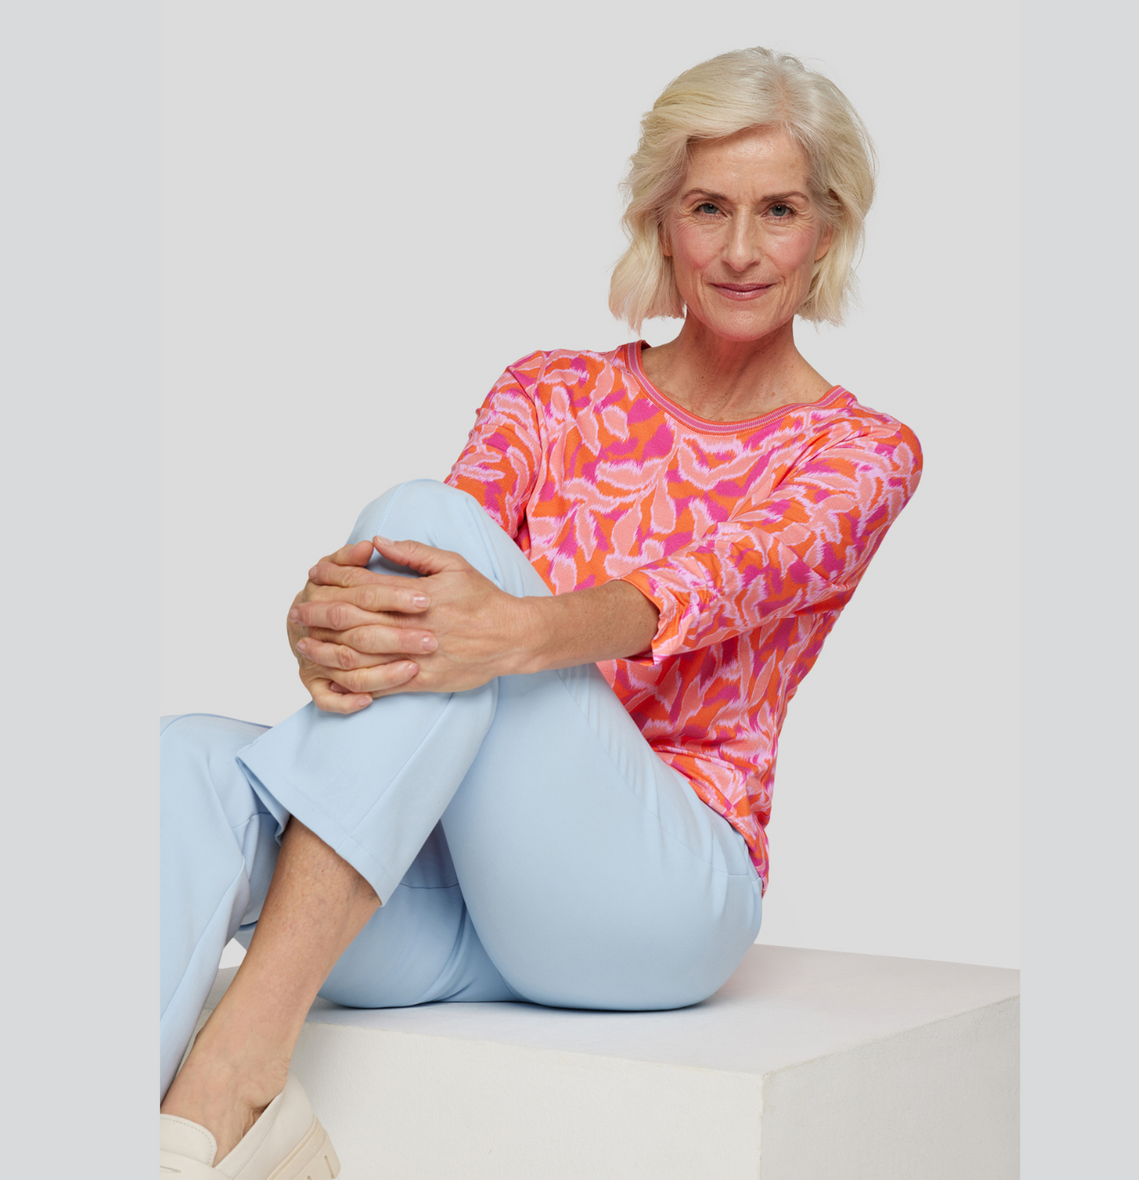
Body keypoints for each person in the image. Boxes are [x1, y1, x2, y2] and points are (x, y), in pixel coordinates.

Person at [159, 46, 922, 1180]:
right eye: (707, 207)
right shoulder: (553, 390)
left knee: (428, 528)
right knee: (181, 761)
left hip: (650, 905)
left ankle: (238, 1072)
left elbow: (705, 586)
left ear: (827, 231)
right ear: (661, 220)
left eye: (779, 210)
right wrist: (326, 623)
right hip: (453, 896)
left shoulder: (860, 451)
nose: (740, 249)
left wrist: (508, 632)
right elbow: (430, 572)